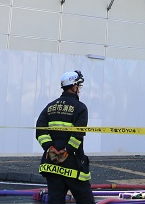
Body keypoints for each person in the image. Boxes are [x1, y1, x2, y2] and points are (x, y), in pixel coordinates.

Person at [36, 70, 93, 204]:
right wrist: (66, 150)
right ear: (74, 87)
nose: (79, 89)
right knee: (86, 201)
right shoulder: (80, 108)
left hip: (52, 163)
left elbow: (40, 131)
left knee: (55, 200)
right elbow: (78, 135)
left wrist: (50, 148)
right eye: (78, 86)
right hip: (73, 164)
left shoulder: (50, 107)